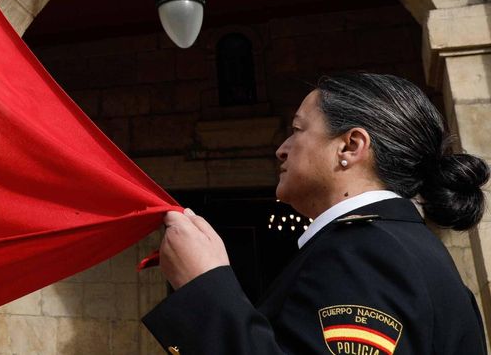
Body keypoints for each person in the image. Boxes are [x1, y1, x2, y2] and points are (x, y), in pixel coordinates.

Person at [144, 72, 489, 354]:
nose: (281, 150)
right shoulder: (398, 243)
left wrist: (204, 287)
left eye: (297, 130)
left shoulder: (366, 253)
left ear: (351, 146)